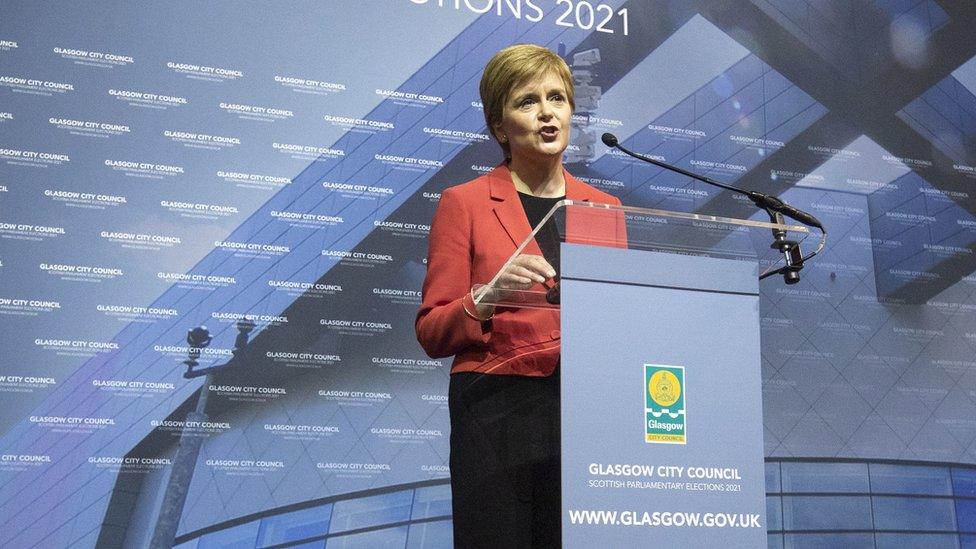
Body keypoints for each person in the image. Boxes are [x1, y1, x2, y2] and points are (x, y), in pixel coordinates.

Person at [415, 44, 623, 548]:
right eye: (528, 101)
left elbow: (620, 320)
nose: (548, 113)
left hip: (584, 409)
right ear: (499, 127)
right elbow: (431, 330)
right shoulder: (462, 203)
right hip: (495, 408)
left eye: (558, 98)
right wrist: (486, 296)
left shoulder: (604, 207)